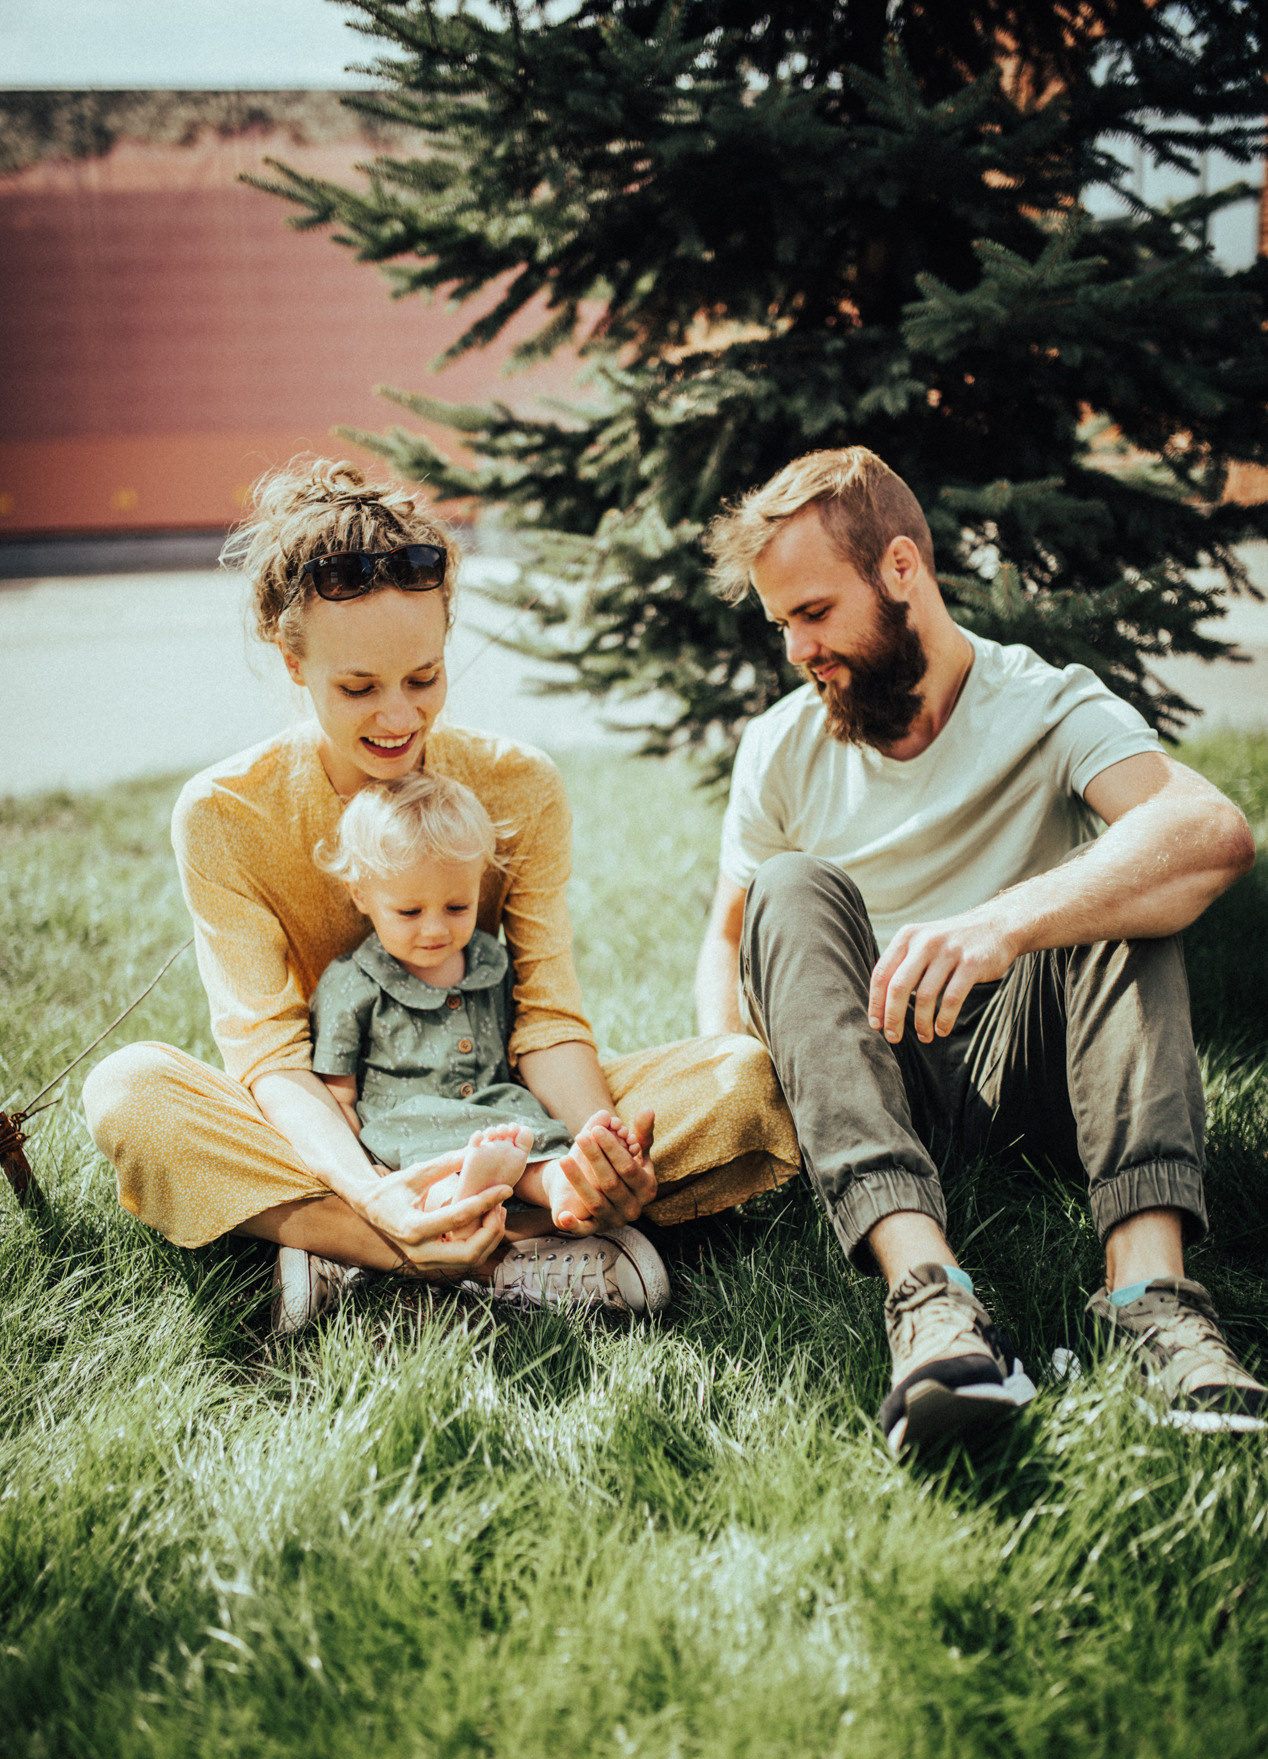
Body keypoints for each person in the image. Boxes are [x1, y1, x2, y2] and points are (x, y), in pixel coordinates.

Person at [83, 460, 797, 1330]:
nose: (397, 717)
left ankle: (357, 1248)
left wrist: (594, 1153)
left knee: (738, 1079)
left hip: (500, 1117)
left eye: (423, 677)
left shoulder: (518, 784)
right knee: (129, 1091)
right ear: (292, 662)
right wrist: (377, 1198)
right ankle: (448, 1247)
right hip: (327, 1123)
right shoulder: (224, 812)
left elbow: (546, 1019)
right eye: (357, 688)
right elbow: (270, 1059)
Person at [697, 445, 1263, 1453]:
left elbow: (1211, 831)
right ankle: (927, 1296)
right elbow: (728, 945)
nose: (794, 650)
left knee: (1125, 875)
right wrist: (725, 1087)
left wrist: (1002, 922)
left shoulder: (1042, 701)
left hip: (1036, 1068)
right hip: (869, 1070)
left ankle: (1152, 1300)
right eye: (779, 623)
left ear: (901, 569)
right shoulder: (780, 745)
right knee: (787, 885)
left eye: (814, 613)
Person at [300, 767, 667, 1323]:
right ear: (361, 894)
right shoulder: (354, 983)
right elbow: (338, 1092)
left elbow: (523, 1042)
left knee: (524, 1122)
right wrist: (365, 1171)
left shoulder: (491, 963)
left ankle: (562, 1185)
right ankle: (476, 1208)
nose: (434, 930)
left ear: (478, 889)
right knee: (447, 1151)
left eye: (456, 907)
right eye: (409, 911)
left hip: (492, 1107)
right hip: (408, 1122)